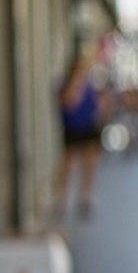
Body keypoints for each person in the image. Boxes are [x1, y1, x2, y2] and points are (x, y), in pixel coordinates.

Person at [54, 55, 109, 219]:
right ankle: (61, 198)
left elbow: (99, 106)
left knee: (90, 164)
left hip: (89, 128)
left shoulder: (90, 86)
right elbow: (69, 104)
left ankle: (85, 197)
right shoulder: (65, 85)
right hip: (72, 130)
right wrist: (76, 86)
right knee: (68, 165)